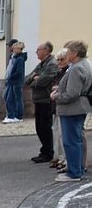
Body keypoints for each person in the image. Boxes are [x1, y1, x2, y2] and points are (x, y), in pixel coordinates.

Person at [51, 40, 91, 182]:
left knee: (71, 141)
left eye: (68, 52)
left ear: (74, 53)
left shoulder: (76, 68)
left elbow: (72, 93)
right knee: (77, 139)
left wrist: (56, 96)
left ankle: (74, 172)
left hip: (72, 109)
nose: (66, 54)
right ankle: (78, 169)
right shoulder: (85, 64)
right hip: (79, 107)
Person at [25, 42, 59, 163]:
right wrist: (34, 78)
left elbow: (42, 82)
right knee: (39, 127)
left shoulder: (52, 64)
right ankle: (44, 150)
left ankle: (48, 152)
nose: (36, 52)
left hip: (46, 99)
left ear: (46, 50)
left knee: (45, 127)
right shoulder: (41, 64)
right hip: (39, 100)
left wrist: (35, 80)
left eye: (38, 50)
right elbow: (27, 79)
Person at [51, 49, 70, 172]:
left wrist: (57, 89)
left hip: (64, 105)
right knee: (56, 132)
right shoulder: (59, 72)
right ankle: (58, 156)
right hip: (56, 105)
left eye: (62, 59)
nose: (59, 62)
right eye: (58, 59)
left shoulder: (68, 72)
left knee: (63, 134)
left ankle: (64, 159)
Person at [3, 40, 27, 123]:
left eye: (14, 48)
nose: (12, 50)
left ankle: (17, 116)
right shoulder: (15, 58)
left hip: (16, 81)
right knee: (9, 97)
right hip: (13, 81)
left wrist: (10, 77)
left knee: (16, 99)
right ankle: (12, 115)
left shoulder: (20, 59)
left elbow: (19, 71)